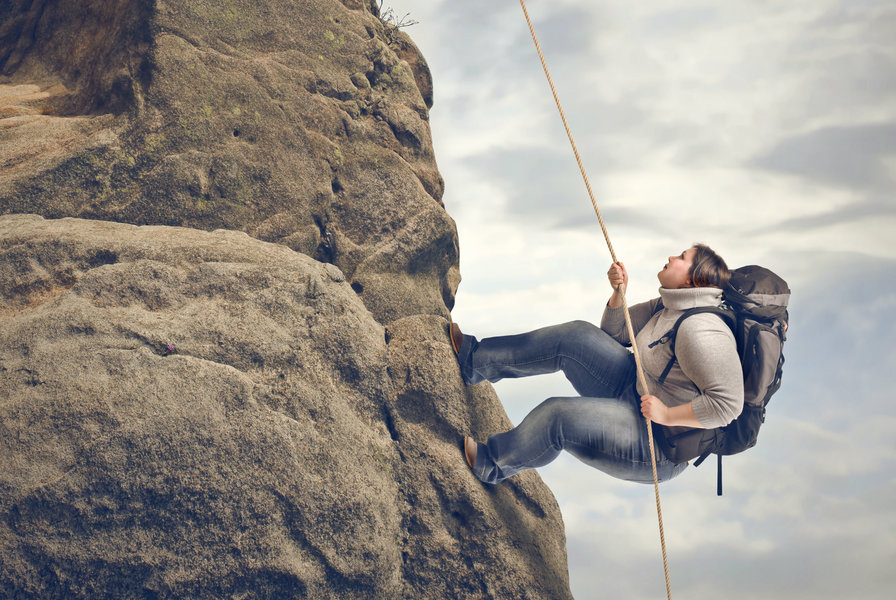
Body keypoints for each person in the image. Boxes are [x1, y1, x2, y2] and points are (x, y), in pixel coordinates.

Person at [450, 244, 743, 485]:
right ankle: (475, 361)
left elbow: (728, 405)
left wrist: (666, 415)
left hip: (656, 440)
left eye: (681, 258)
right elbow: (615, 334)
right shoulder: (669, 304)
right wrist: (619, 292)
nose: (671, 256)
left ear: (694, 280)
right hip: (634, 388)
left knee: (557, 415)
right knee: (574, 335)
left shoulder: (702, 330)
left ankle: (492, 464)